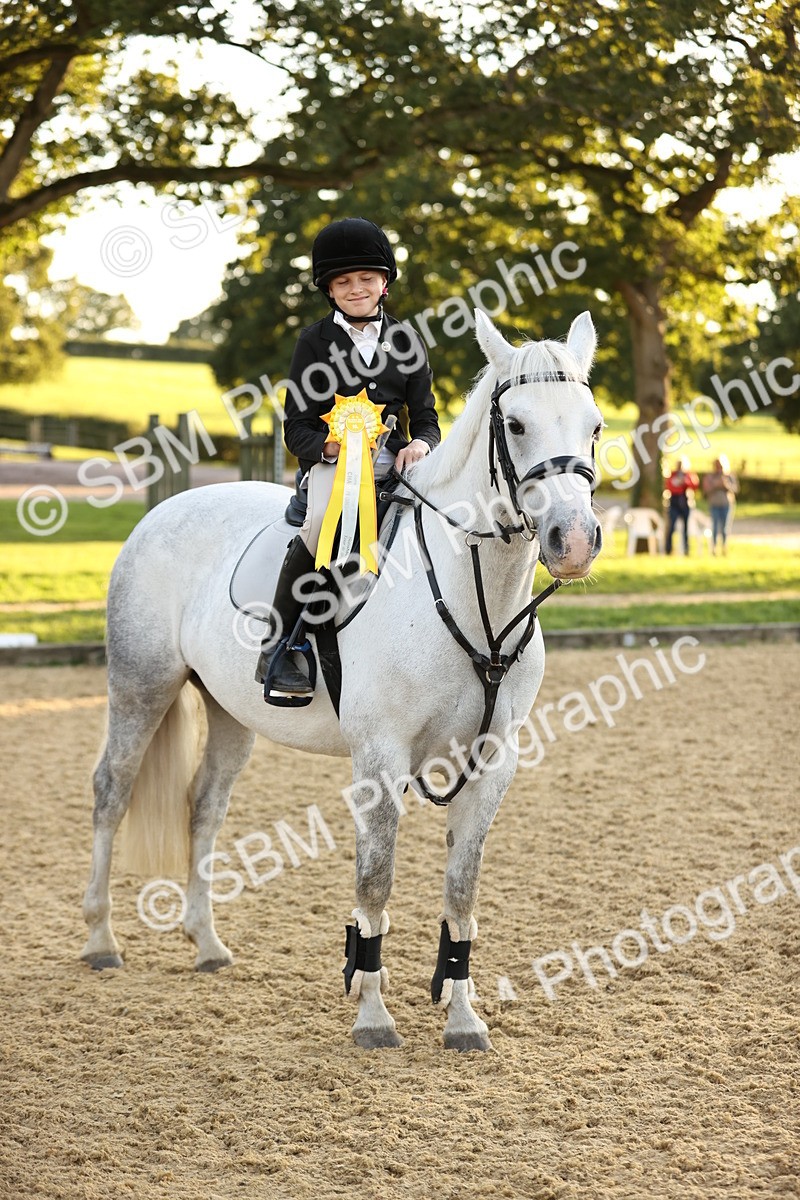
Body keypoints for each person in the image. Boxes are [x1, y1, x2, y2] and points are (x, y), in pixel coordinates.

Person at [260, 217, 441, 698]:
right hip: (330, 470)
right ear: (329, 290)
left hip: (397, 470)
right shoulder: (313, 342)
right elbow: (295, 424)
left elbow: (426, 417)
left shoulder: (408, 341)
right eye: (344, 282)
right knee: (319, 524)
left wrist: (421, 443)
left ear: (384, 282)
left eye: (366, 279)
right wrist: (329, 447)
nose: (356, 289)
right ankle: (279, 644)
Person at [702, 455, 738, 555]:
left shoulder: (729, 476)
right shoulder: (710, 477)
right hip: (714, 504)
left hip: (726, 504)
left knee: (725, 528)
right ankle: (713, 548)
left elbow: (735, 489)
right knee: (715, 526)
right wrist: (715, 485)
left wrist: (725, 485)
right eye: (717, 465)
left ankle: (724, 547)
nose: (719, 468)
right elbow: (705, 491)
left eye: (720, 466)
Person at [664, 457, 699, 555]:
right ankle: (668, 549)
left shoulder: (688, 475)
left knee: (686, 527)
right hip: (674, 503)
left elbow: (694, 485)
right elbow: (669, 486)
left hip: (685, 502)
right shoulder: (673, 474)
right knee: (671, 526)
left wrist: (685, 482)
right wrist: (678, 484)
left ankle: (686, 549)